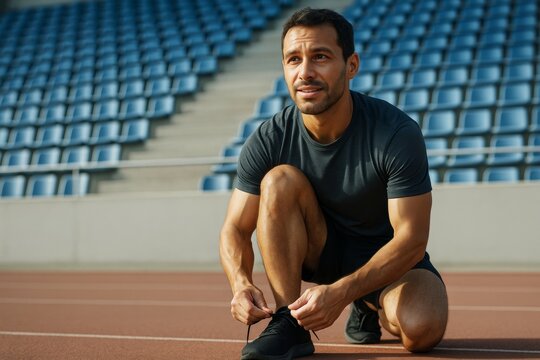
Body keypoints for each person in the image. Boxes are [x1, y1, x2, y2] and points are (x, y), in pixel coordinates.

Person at [219, 7, 448, 360]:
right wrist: (240, 283)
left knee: (421, 331)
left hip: (388, 262)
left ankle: (368, 305)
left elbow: (412, 239)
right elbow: (234, 228)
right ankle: (289, 323)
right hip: (320, 251)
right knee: (278, 179)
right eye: (293, 59)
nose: (305, 72)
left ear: (351, 65)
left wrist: (343, 293)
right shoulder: (269, 138)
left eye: (320, 57)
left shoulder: (395, 132)